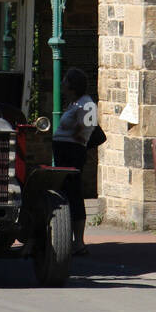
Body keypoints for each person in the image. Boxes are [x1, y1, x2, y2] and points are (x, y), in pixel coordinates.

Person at [53, 67, 97, 255]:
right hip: (66, 151)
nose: (62, 84)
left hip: (72, 153)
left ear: (72, 85)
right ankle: (69, 238)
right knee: (66, 193)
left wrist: (73, 140)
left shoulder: (86, 104)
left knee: (74, 194)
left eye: (65, 80)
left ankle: (78, 242)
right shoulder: (74, 103)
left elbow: (85, 129)